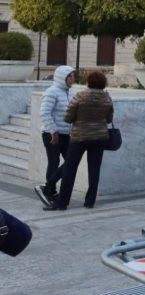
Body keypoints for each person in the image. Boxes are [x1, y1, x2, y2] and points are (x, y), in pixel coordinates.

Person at [44, 71, 113, 211]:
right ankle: (89, 202)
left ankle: (62, 203)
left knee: (70, 168)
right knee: (94, 170)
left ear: (88, 82)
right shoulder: (107, 98)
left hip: (79, 137)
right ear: (103, 83)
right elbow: (109, 119)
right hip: (99, 138)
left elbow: (67, 118)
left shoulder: (80, 96)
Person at [34, 65, 75, 206]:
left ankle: (48, 186)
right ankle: (50, 191)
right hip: (51, 134)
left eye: (73, 76)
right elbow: (44, 113)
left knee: (71, 161)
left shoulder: (71, 92)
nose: (72, 79)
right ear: (61, 77)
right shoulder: (52, 92)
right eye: (69, 76)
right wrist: (53, 131)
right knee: (54, 162)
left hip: (66, 134)